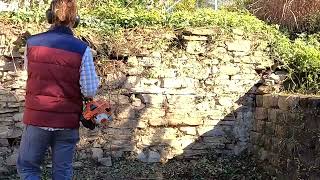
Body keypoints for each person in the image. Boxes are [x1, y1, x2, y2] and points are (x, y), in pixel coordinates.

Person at [16, 0, 99, 179]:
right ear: (75, 19)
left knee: (28, 168)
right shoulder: (82, 49)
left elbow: (29, 73)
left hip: (37, 119)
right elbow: (90, 90)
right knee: (62, 172)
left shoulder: (32, 44)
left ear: (50, 16)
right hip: (67, 122)